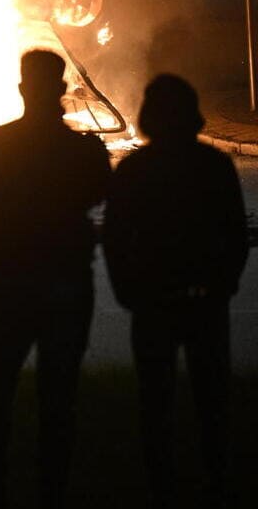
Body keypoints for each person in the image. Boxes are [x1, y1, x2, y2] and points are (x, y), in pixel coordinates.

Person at [0, 49, 110, 509]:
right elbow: (97, 195)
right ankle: (53, 490)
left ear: (21, 89)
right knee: (59, 397)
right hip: (67, 279)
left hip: (10, 278)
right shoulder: (86, 150)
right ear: (62, 90)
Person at [103, 75, 247, 509]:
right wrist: (223, 287)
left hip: (153, 302)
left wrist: (127, 291)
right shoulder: (214, 165)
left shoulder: (134, 169)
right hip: (203, 302)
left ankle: (160, 485)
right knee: (211, 400)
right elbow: (235, 236)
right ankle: (216, 481)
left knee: (155, 400)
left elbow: (114, 237)